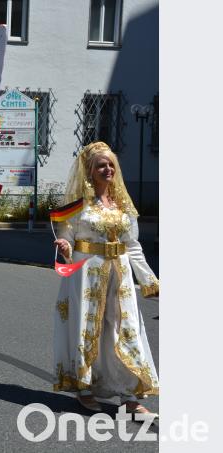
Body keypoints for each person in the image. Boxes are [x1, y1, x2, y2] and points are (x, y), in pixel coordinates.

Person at [52, 141, 159, 416]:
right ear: (89, 171)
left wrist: (149, 280)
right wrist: (65, 247)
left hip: (120, 275)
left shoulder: (122, 204)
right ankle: (85, 388)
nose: (108, 168)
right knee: (87, 328)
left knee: (126, 329)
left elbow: (133, 245)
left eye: (111, 164)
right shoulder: (78, 206)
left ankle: (130, 396)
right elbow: (66, 235)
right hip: (87, 273)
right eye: (101, 164)